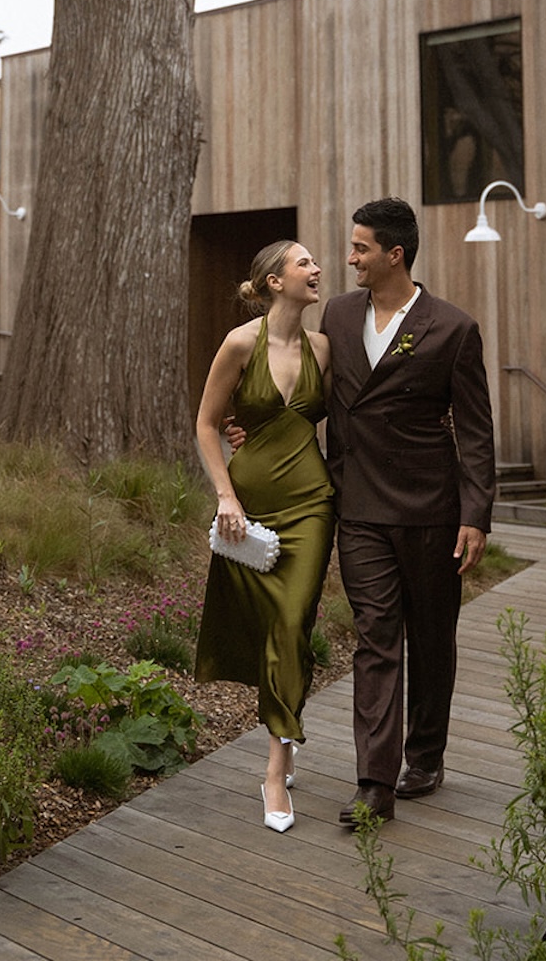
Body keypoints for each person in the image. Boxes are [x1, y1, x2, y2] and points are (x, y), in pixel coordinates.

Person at [321, 196, 496, 826]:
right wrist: (257, 428)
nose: (351, 258)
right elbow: (323, 396)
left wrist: (475, 514)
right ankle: (374, 782)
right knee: (375, 638)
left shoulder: (453, 328)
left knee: (430, 638)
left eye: (361, 247)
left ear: (395, 254)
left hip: (432, 511)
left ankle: (425, 753)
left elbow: (475, 431)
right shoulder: (338, 316)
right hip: (361, 507)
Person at [194, 240, 335, 833]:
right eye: (304, 263)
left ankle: (275, 770)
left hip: (312, 505)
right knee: (272, 631)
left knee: (292, 623)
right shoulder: (240, 343)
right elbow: (206, 425)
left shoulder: (324, 348)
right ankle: (283, 734)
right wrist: (227, 495)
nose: (317, 269)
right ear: (274, 280)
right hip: (251, 506)